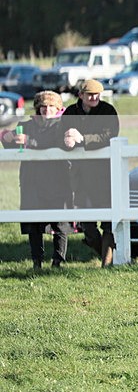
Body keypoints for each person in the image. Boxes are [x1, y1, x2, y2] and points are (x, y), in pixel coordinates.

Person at [1, 91, 71, 269]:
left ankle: (58, 261)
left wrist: (30, 141)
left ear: (57, 108)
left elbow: (54, 142)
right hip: (32, 180)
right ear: (38, 108)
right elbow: (13, 142)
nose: (47, 110)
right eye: (43, 106)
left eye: (51, 106)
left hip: (58, 178)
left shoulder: (63, 124)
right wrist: (6, 137)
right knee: (33, 222)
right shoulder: (26, 125)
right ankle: (36, 261)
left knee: (60, 223)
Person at [63, 79, 120, 267]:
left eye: (97, 94)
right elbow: (63, 135)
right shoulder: (70, 112)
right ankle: (108, 257)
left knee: (108, 222)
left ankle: (107, 264)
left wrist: (82, 139)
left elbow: (109, 135)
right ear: (81, 95)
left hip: (105, 174)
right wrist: (67, 138)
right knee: (87, 224)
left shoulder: (108, 111)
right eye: (90, 95)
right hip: (80, 176)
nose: (94, 97)